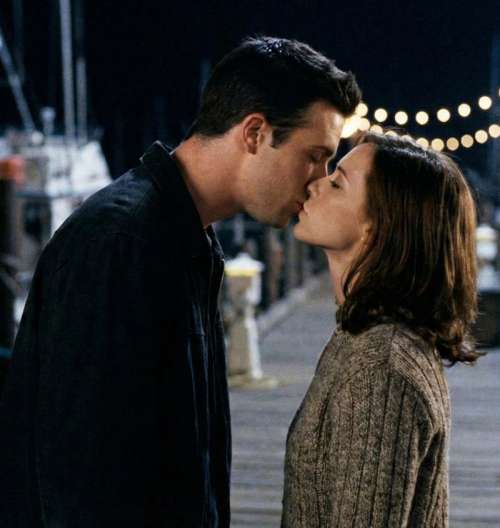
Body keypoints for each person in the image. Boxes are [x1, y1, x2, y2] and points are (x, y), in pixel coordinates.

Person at [0, 37, 361, 527]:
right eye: (314, 156)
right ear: (254, 132)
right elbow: (83, 477)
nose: (319, 179)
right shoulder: (124, 242)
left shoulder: (183, 237)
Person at [282, 133, 481, 527]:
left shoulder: (380, 370)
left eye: (337, 183)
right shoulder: (366, 335)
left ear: (376, 227)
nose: (314, 184)